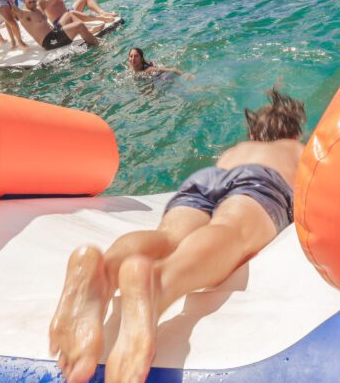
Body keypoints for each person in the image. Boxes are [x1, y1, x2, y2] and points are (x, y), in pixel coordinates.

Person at [49, 88, 306, 383]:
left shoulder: (234, 151)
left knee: (169, 237)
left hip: (207, 179)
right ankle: (158, 284)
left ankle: (106, 270)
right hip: (260, 181)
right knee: (229, 232)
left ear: (252, 132)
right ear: (295, 133)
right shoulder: (296, 150)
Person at [7, 0, 101, 50]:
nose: (31, 0)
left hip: (54, 33)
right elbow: (15, 10)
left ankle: (87, 31)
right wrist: (11, 3)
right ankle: (98, 46)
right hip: (50, 42)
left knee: (69, 14)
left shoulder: (39, 9)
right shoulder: (24, 14)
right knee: (79, 25)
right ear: (24, 2)